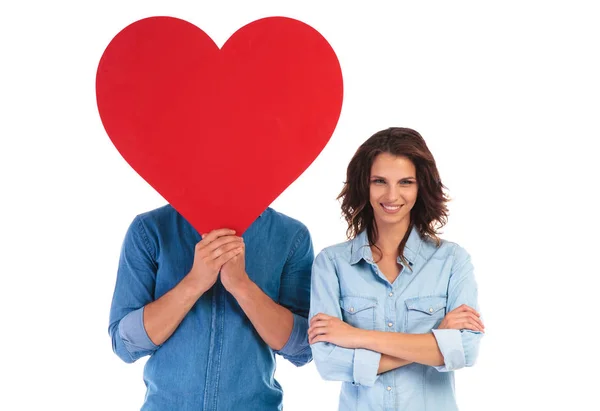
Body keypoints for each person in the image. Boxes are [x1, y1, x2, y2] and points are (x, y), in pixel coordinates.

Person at [308, 127, 484, 411]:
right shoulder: (332, 264)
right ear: (363, 185)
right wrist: (436, 341)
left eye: (405, 182)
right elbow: (329, 363)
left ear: (420, 186)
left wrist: (356, 337)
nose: (392, 195)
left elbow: (465, 350)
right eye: (380, 181)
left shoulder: (452, 261)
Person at [109, 205, 313, 410]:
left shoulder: (291, 236)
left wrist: (241, 285)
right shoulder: (149, 229)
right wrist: (194, 283)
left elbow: (301, 349)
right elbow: (125, 345)